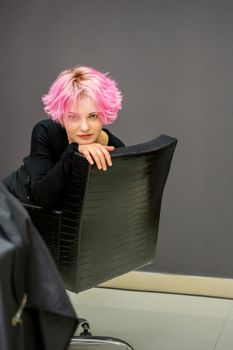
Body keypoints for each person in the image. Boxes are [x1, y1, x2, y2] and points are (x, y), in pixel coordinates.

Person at [2, 66, 125, 210]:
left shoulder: (114, 148)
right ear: (61, 117)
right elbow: (42, 198)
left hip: (54, 224)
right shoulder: (45, 131)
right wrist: (74, 151)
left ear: (103, 114)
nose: (84, 127)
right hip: (11, 204)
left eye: (92, 116)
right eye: (73, 117)